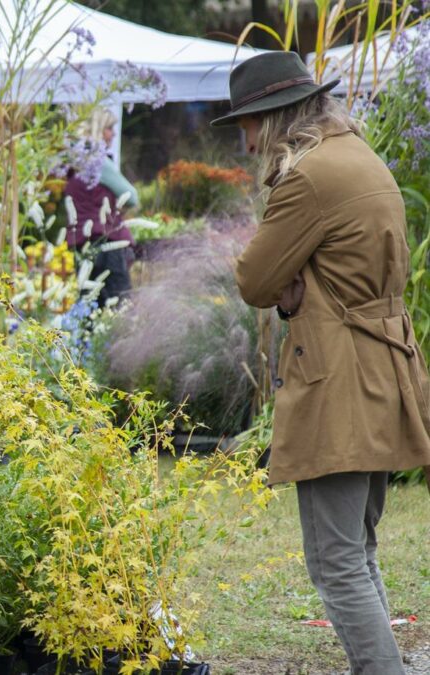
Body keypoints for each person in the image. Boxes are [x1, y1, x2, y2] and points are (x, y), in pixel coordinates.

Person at [215, 51, 430, 674]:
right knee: (356, 552)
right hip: (384, 373)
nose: (247, 140)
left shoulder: (308, 177)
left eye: (248, 124)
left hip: (340, 381)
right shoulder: (361, 156)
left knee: (335, 562)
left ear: (275, 118)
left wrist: (288, 286)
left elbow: (255, 279)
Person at [63, 109, 140, 308]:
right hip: (107, 246)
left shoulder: (75, 162)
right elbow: (131, 196)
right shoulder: (99, 163)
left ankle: (83, 340)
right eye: (108, 128)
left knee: (89, 308)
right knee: (121, 308)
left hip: (83, 246)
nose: (113, 134)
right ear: (96, 130)